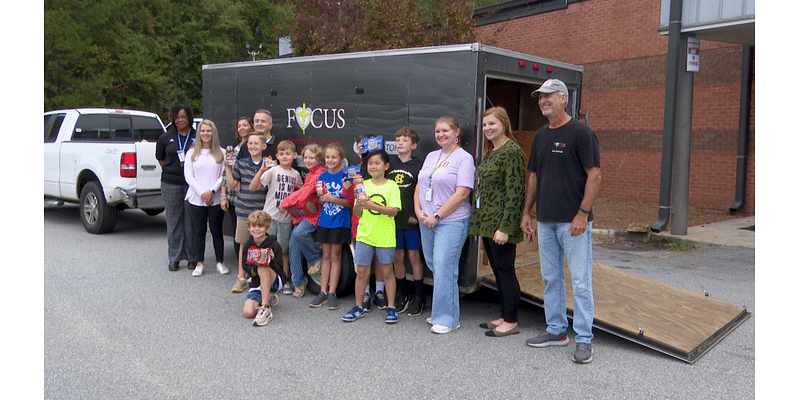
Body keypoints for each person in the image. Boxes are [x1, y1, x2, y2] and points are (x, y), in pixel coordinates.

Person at [519, 79, 602, 364]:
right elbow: (534, 176)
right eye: (540, 97)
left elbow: (595, 175)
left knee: (580, 281)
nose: (543, 101)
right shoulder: (541, 135)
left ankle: (584, 339)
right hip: (545, 221)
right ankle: (556, 330)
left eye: (548, 96)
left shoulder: (581, 132)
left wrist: (582, 213)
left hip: (573, 222)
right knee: (550, 278)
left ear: (563, 98)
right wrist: (527, 211)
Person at [413, 116, 474, 334]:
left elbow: (463, 192)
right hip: (426, 220)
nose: (441, 134)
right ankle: (442, 311)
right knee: (436, 265)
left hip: (450, 221)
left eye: (446, 130)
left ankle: (447, 319)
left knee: (444, 267)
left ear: (457, 132)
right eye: (437, 131)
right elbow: (420, 185)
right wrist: (419, 212)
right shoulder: (431, 156)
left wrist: (437, 216)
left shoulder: (463, 158)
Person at [469, 107, 526, 337]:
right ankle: (504, 315)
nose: (487, 129)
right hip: (487, 222)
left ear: (504, 123)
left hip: (501, 224)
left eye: (492, 124)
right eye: (484, 125)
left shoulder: (512, 151)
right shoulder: (492, 151)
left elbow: (515, 192)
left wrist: (505, 227)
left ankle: (511, 321)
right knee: (497, 270)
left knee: (505, 271)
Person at [342, 150, 402, 324]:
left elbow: (394, 211)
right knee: (362, 272)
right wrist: (360, 204)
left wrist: (372, 205)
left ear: (386, 166)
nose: (373, 166)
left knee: (387, 272)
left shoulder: (391, 186)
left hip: (385, 236)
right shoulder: (362, 184)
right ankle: (358, 306)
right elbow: (357, 213)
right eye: (370, 163)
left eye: (377, 163)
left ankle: (391, 307)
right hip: (364, 235)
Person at [250, 140, 301, 294]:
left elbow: (300, 192)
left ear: (295, 155)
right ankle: (263, 278)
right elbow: (253, 187)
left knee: (283, 251)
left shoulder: (296, 174)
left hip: (286, 219)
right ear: (277, 156)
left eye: (288, 153)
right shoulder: (273, 171)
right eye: (282, 154)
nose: (285, 156)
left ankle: (284, 279)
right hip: (269, 217)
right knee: (265, 249)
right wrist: (261, 170)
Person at [308, 144, 354, 310]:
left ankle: (332, 292)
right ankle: (322, 291)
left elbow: (350, 203)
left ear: (341, 159)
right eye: (327, 157)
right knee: (325, 256)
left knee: (336, 256)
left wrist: (331, 198)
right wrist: (322, 199)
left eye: (334, 157)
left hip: (340, 221)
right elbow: (322, 199)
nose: (330, 160)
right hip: (324, 221)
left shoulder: (346, 177)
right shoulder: (322, 177)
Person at [183, 119, 229, 277]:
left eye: (208, 131)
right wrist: (203, 193)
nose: (205, 134)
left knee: (217, 231)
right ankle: (199, 263)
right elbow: (189, 176)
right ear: (199, 133)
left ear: (213, 133)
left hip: (215, 199)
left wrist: (212, 191)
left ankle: (220, 263)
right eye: (203, 131)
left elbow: (223, 175)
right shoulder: (191, 153)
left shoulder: (221, 153)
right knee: (199, 231)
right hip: (196, 199)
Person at [388, 127, 425, 315]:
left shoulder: (419, 165)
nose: (400, 143)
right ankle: (403, 293)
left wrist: (416, 214)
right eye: (398, 139)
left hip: (411, 220)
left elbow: (423, 193)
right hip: (393, 219)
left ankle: (419, 296)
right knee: (397, 257)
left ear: (414, 145)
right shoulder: (389, 163)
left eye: (404, 140)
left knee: (413, 257)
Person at [156, 104, 196, 271]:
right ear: (173, 119)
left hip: (192, 185)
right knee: (173, 222)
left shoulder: (197, 136)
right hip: (171, 183)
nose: (180, 120)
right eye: (177, 117)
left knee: (190, 222)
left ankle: (192, 257)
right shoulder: (166, 137)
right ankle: (174, 258)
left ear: (189, 118)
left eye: (184, 117)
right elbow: (161, 159)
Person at [228, 133, 269, 293]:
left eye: (256, 143)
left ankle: (259, 278)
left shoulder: (269, 164)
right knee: (244, 245)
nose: (252, 146)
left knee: (261, 247)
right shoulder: (241, 163)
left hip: (261, 212)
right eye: (250, 143)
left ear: (264, 146)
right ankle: (241, 277)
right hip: (244, 211)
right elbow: (232, 185)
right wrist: (228, 167)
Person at [282, 144, 325, 298]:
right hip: (305, 214)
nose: (307, 160)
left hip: (316, 215)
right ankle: (298, 282)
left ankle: (315, 258)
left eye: (311, 157)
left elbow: (305, 193)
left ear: (319, 158)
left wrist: (285, 203)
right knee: (293, 244)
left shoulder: (320, 173)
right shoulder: (310, 174)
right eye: (305, 157)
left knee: (300, 233)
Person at [241, 210, 287, 327]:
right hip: (257, 282)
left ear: (267, 228)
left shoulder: (274, 245)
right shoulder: (248, 245)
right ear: (249, 228)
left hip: (275, 280)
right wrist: (254, 268)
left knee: (263, 266)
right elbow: (245, 266)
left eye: (260, 226)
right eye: (254, 226)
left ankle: (265, 308)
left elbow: (280, 269)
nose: (257, 229)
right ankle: (269, 297)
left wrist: (271, 260)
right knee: (248, 312)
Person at [225, 117, 255, 256]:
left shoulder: (255, 148)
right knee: (239, 233)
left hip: (251, 197)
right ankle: (241, 264)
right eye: (239, 126)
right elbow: (225, 175)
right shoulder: (232, 149)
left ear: (251, 127)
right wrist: (223, 196)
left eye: (245, 125)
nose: (242, 128)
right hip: (234, 197)